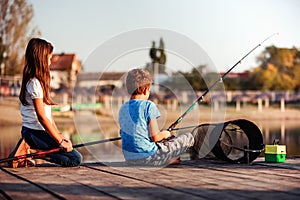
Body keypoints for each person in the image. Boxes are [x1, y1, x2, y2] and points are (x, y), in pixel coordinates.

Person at [13, 38, 82, 167]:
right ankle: (30, 151)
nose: (50, 62)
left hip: (36, 132)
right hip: (33, 132)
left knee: (71, 154)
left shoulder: (39, 82)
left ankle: (30, 150)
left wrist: (60, 136)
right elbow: (42, 117)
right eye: (49, 59)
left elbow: (49, 117)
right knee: (75, 159)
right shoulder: (35, 83)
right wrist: (60, 142)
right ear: (41, 59)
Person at [118, 68, 194, 166]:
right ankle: (167, 160)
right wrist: (166, 134)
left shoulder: (123, 108)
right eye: (149, 90)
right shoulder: (148, 106)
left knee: (160, 145)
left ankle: (168, 159)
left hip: (129, 159)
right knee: (188, 137)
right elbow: (155, 137)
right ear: (145, 90)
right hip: (149, 158)